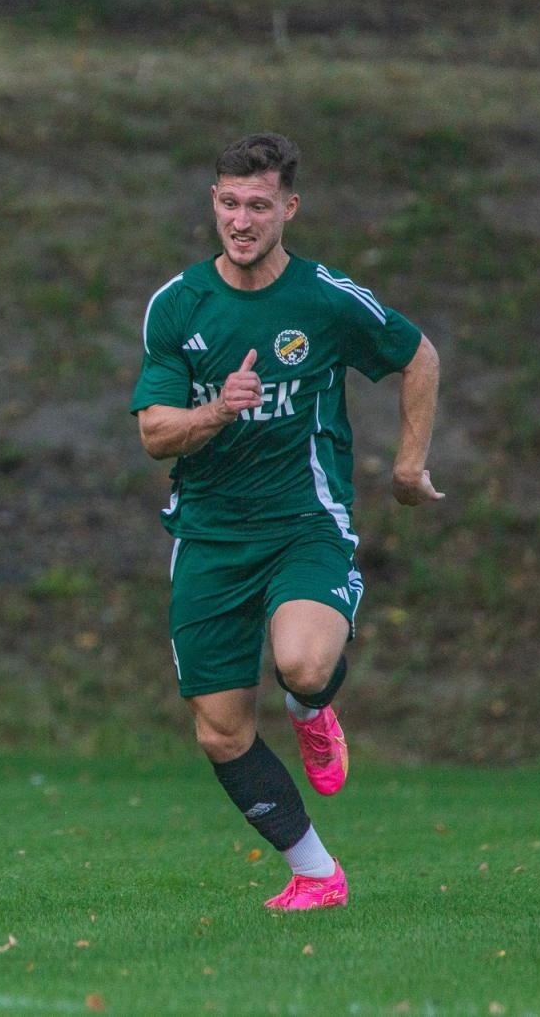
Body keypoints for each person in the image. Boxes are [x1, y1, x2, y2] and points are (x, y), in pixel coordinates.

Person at [130, 133, 442, 911]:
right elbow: (154, 432)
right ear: (213, 201)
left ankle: (311, 705)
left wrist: (407, 464)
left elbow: (419, 354)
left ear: (288, 209)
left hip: (305, 523)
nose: (241, 219)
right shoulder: (178, 306)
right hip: (207, 534)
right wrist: (217, 410)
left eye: (258, 205)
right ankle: (315, 872)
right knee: (220, 733)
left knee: (301, 662)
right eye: (229, 202)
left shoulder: (323, 298)